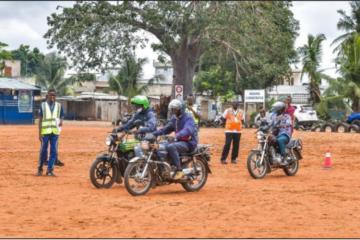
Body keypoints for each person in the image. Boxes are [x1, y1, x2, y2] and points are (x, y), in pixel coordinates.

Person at [152, 99, 197, 180]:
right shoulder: (174, 119)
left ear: (181, 109)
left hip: (189, 143)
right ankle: (164, 168)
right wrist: (153, 134)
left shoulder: (188, 118)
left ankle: (179, 170)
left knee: (171, 147)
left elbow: (188, 130)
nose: (174, 111)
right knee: (160, 146)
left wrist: (177, 135)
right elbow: (165, 129)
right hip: (178, 141)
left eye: (175, 109)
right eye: (173, 109)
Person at [37, 89, 64, 176]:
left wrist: (61, 121)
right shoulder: (43, 105)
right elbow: (40, 120)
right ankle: (40, 168)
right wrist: (39, 133)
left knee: (53, 151)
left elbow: (62, 115)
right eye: (51, 95)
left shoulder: (59, 106)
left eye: (54, 95)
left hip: (55, 132)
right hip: (45, 132)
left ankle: (49, 170)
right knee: (43, 151)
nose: (52, 97)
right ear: (47, 95)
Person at [269, 101, 293, 166]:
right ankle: (271, 156)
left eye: (276, 109)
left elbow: (289, 123)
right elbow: (270, 123)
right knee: (267, 140)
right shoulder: (274, 116)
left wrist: (281, 124)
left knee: (280, 140)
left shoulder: (287, 116)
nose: (275, 110)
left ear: (280, 109)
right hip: (276, 134)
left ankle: (284, 158)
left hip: (284, 134)